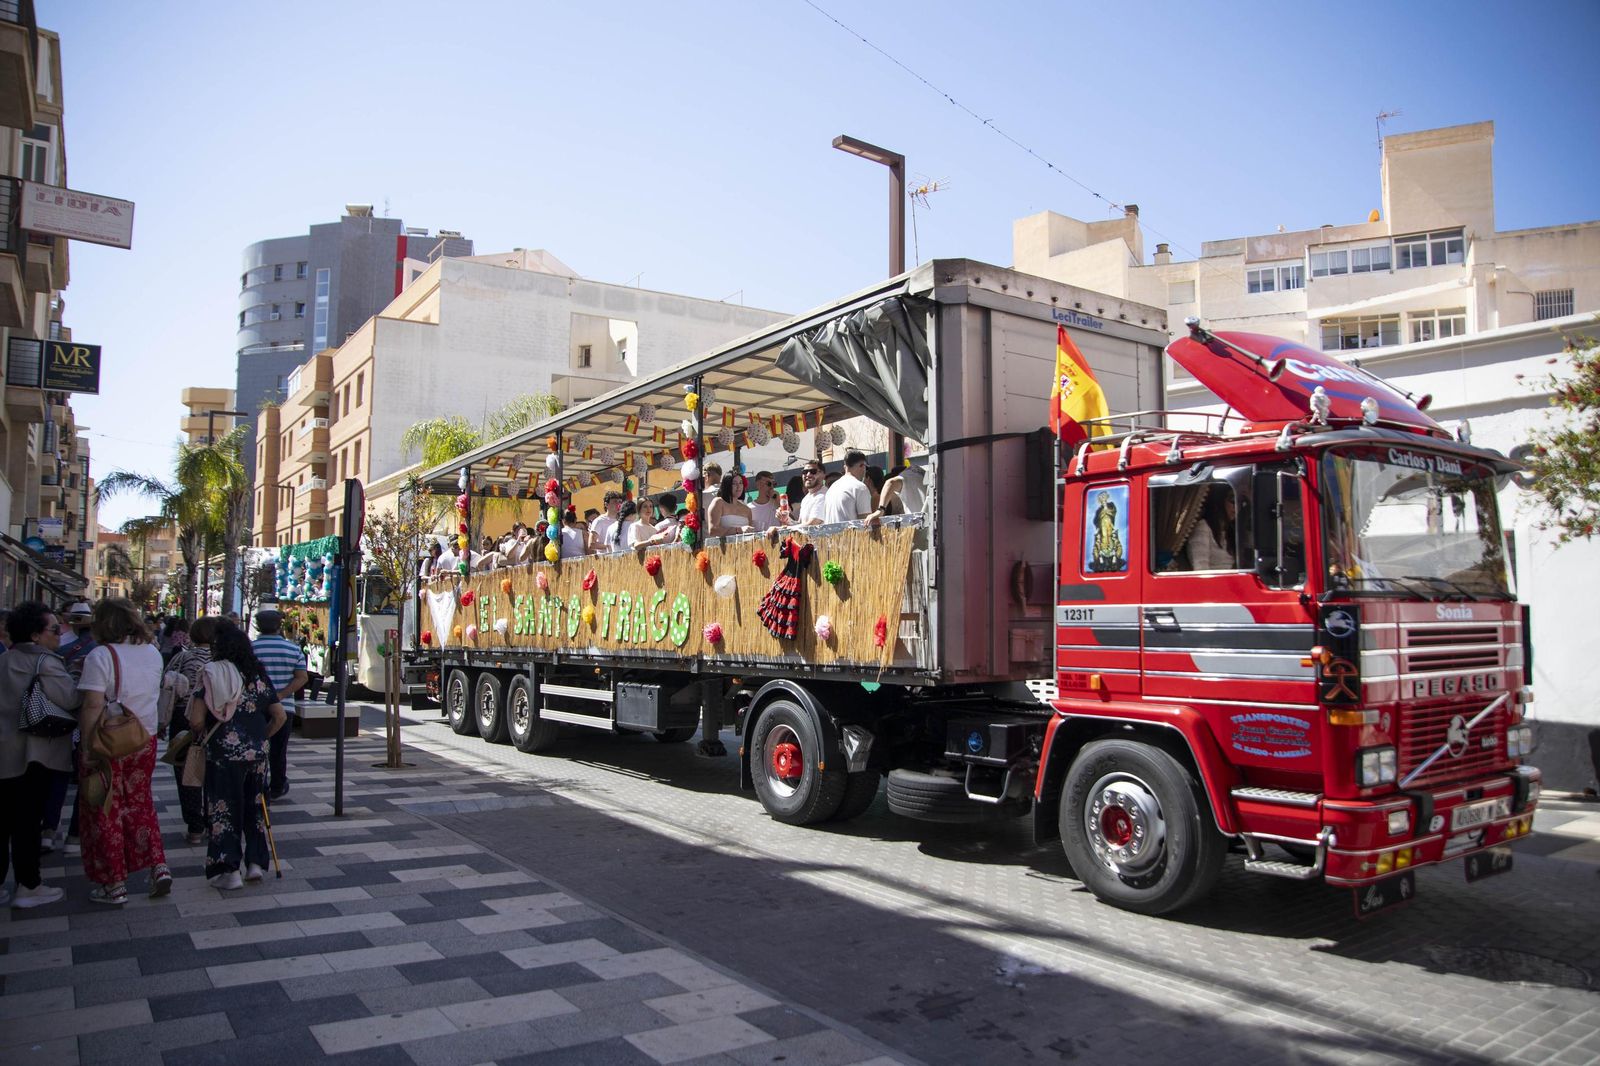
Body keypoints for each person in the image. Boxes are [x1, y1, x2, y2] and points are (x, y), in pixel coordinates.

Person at [76, 598, 170, 905]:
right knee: (140, 803)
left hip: (110, 741)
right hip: (144, 737)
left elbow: (92, 705)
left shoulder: (101, 655)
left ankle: (114, 882)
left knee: (106, 807)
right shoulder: (152, 652)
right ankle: (157, 865)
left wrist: (87, 745)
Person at [190, 623, 286, 890]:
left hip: (223, 754)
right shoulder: (258, 675)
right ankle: (255, 864)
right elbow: (279, 716)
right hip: (256, 753)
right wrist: (261, 738)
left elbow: (196, 720)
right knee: (255, 807)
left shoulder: (211, 674)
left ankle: (229, 869)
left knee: (223, 809)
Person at [0, 602, 82, 907]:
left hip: (4, 752)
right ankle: (29, 885)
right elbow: (70, 698)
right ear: (35, 635)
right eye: (54, 629)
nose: (59, 634)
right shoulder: (45, 663)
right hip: (34, 754)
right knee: (28, 821)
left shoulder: (4, 659)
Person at [42, 600, 96, 853]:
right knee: (75, 778)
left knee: (57, 777)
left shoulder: (59, 647)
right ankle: (72, 833)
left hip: (52, 721)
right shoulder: (97, 649)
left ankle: (48, 829)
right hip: (74, 721)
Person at [165, 617, 218, 845]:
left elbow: (168, 685)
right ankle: (214, 818)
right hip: (214, 718)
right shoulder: (221, 659)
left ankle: (195, 825)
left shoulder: (182, 657)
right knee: (213, 771)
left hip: (183, 717)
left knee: (186, 771)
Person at [251, 609, 307, 802]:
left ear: (258, 626)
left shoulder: (250, 649)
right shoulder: (293, 649)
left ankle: (258, 785)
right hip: (284, 708)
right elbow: (302, 677)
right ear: (279, 626)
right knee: (278, 749)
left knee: (257, 746)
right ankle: (277, 786)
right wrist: (281, 695)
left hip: (255, 708)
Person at [823, 450, 882, 526]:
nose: (865, 471)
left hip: (831, 533)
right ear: (862, 465)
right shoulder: (860, 488)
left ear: (845, 467)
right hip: (849, 533)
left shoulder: (832, 488)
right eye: (866, 467)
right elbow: (865, 523)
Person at [1186, 488, 1239, 571]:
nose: (1236, 507)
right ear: (1220, 501)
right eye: (1233, 501)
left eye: (1239, 502)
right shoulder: (1203, 527)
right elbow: (1200, 568)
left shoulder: (1229, 530)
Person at [796, 461, 828, 526]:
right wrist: (787, 519)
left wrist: (786, 529)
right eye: (805, 472)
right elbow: (801, 524)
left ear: (823, 475)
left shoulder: (823, 496)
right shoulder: (806, 498)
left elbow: (812, 524)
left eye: (813, 471)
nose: (808, 475)